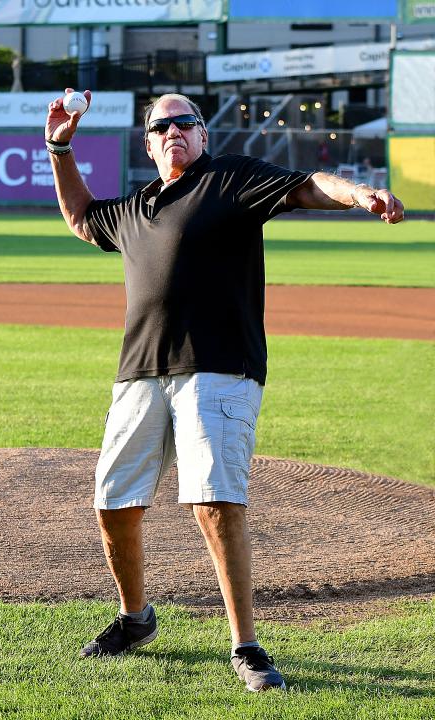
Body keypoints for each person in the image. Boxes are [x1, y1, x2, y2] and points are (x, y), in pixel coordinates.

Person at [45, 89, 404, 692]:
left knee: (214, 503)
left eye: (187, 123)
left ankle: (246, 645)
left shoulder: (230, 180)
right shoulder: (135, 209)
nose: (175, 131)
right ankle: (136, 619)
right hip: (138, 373)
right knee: (112, 504)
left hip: (217, 368)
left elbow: (308, 184)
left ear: (204, 135)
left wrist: (357, 194)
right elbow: (83, 219)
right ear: (149, 142)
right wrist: (59, 146)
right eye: (163, 126)